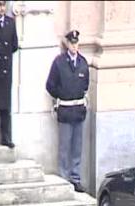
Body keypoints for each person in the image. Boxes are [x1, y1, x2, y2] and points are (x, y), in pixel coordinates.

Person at [45, 30, 89, 193]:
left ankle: (75, 178)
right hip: (65, 109)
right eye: (72, 43)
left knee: (77, 147)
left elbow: (85, 85)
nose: (74, 46)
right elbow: (50, 85)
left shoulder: (83, 62)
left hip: (78, 110)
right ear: (67, 44)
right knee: (64, 147)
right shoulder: (59, 62)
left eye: (76, 43)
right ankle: (63, 179)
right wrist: (61, 94)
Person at [0, 0, 18, 148]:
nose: (2, 8)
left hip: (5, 71)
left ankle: (6, 137)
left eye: (3, 5)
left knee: (5, 107)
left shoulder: (10, 23)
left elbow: (14, 45)